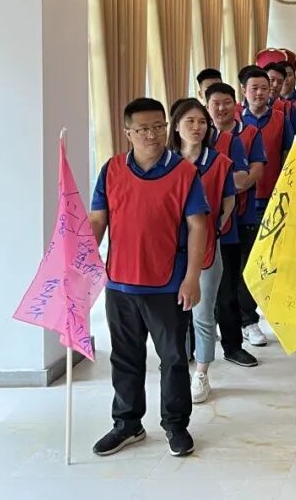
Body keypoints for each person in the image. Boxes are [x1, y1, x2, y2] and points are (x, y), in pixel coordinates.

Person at [88, 98, 209, 458]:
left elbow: (198, 225)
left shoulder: (184, 172)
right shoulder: (111, 170)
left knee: (173, 358)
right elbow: (97, 220)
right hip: (120, 283)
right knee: (125, 357)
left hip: (167, 284)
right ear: (128, 133)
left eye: (158, 126)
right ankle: (127, 424)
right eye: (143, 129)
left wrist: (192, 277)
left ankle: (176, 424)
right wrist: (79, 262)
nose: (152, 135)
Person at [166, 99, 236, 404]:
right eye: (190, 121)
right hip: (169, 250)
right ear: (176, 126)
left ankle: (202, 373)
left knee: (202, 314)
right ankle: (178, 366)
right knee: (173, 315)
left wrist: (215, 228)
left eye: (202, 122)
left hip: (206, 247)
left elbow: (229, 200)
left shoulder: (219, 162)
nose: (196, 127)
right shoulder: (165, 162)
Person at [239, 65, 296, 346]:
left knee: (276, 257)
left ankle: (274, 310)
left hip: (276, 199)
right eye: (254, 88)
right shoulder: (235, 120)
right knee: (249, 260)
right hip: (245, 202)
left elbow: (291, 156)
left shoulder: (281, 118)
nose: (260, 93)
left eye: (264, 88)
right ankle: (247, 320)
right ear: (244, 90)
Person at [204, 83, 263, 369]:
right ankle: (192, 347)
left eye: (226, 102)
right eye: (215, 103)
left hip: (228, 224)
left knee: (229, 286)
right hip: (190, 230)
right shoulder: (181, 146)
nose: (221, 108)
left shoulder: (234, 140)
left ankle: (233, 345)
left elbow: (242, 180)